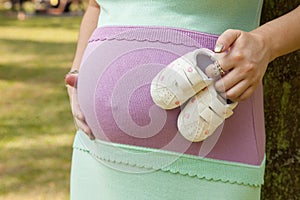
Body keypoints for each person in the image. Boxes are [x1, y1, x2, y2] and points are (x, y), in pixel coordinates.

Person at [65, 0, 300, 199]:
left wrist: (265, 44)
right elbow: (95, 6)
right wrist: (77, 73)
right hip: (94, 154)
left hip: (213, 156)